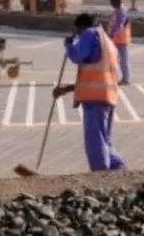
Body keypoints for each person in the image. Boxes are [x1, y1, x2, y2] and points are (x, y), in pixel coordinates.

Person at [52, 13, 127, 172]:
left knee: (95, 139)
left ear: (81, 27)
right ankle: (117, 167)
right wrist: (66, 89)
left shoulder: (90, 33)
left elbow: (78, 56)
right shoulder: (107, 42)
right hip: (108, 97)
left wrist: (69, 46)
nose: (78, 36)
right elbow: (96, 74)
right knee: (104, 139)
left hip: (95, 99)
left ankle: (100, 174)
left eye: (78, 32)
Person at [106, 0, 132, 85]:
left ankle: (126, 79)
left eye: (112, 3)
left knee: (123, 59)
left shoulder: (121, 12)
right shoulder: (118, 10)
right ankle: (120, 77)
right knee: (117, 59)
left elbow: (118, 25)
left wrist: (111, 34)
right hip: (117, 38)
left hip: (120, 39)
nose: (111, 5)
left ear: (116, 2)